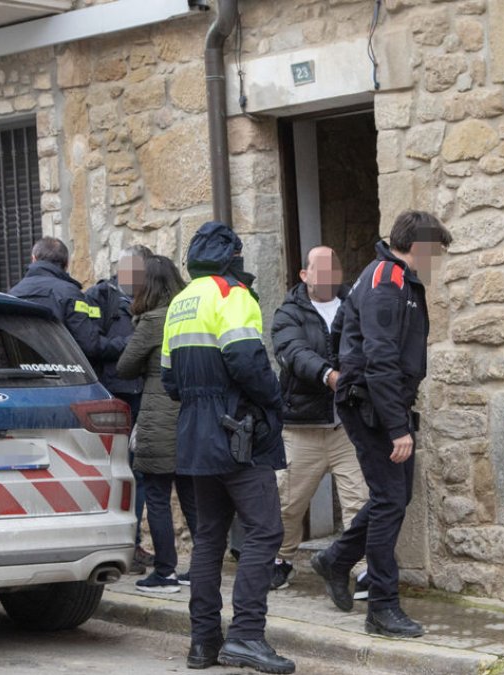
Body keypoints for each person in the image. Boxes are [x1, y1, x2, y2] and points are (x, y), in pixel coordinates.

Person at [309, 211, 451, 639]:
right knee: (390, 500)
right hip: (372, 404)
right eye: (435, 252)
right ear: (418, 246)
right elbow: (380, 358)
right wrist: (397, 427)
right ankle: (382, 608)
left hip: (381, 401)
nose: (436, 261)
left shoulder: (395, 278)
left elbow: (362, 344)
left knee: (395, 495)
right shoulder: (386, 280)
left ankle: (336, 558)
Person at [161, 221, 294, 674]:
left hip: (194, 434)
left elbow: (169, 380)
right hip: (237, 430)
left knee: (209, 538)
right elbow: (245, 360)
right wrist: (274, 397)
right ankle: (247, 637)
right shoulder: (231, 293)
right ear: (231, 257)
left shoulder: (179, 302)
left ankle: (203, 643)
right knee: (264, 531)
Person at [269, 246, 368, 591]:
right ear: (304, 275)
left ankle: (361, 568)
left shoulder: (355, 305)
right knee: (287, 504)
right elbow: (294, 353)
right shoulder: (288, 313)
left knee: (359, 500)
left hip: (347, 427)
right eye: (319, 268)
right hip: (302, 426)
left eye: (333, 267)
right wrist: (329, 375)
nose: (327, 274)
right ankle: (280, 559)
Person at [117, 254, 198, 594]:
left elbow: (124, 366)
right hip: (192, 414)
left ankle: (165, 571)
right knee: (193, 496)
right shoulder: (190, 313)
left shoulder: (151, 321)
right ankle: (201, 568)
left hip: (158, 414)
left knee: (158, 495)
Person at [87, 245, 154, 572]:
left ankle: (133, 543)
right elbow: (89, 344)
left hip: (146, 396)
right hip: (115, 398)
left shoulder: (152, 298)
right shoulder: (101, 297)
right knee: (114, 472)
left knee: (140, 473)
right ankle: (112, 542)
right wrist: (129, 345)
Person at [8, 237, 125, 362]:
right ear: (67, 264)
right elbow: (90, 345)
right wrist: (127, 343)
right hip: (63, 376)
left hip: (20, 374)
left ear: (33, 259)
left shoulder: (12, 293)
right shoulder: (69, 293)